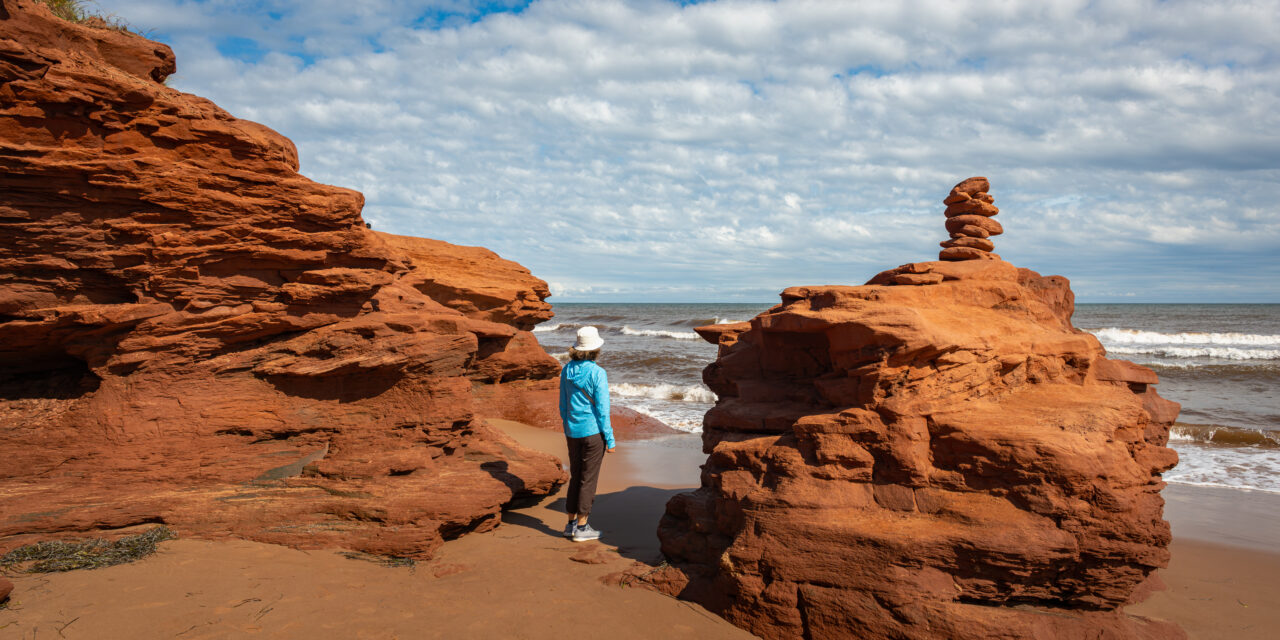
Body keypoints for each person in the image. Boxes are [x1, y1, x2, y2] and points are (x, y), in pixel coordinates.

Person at [558, 326, 616, 542]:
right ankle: (582, 529)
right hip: (592, 433)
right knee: (588, 480)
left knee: (576, 476)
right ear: (595, 349)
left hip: (572, 432)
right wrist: (609, 439)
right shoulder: (597, 373)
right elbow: (602, 410)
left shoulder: (566, 370)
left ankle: (570, 523)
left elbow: (563, 405)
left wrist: (568, 427)